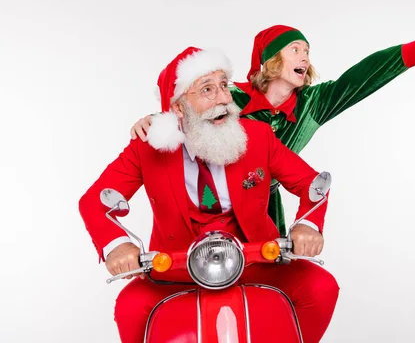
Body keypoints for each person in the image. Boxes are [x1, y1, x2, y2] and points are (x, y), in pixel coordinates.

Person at [130, 11, 415, 234]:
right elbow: (189, 104)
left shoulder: (314, 104)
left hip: (262, 211)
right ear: (272, 59)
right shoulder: (231, 96)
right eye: (296, 49)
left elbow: (363, 75)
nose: (305, 55)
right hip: (207, 211)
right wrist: (155, 120)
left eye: (307, 51)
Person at [79, 47, 338, 343]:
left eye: (224, 86)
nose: (225, 99)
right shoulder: (146, 148)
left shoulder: (259, 137)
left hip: (255, 261)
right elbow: (94, 202)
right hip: (176, 270)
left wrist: (308, 225)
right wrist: (118, 245)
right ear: (178, 107)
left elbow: (310, 182)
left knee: (321, 288)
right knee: (131, 307)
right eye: (207, 90)